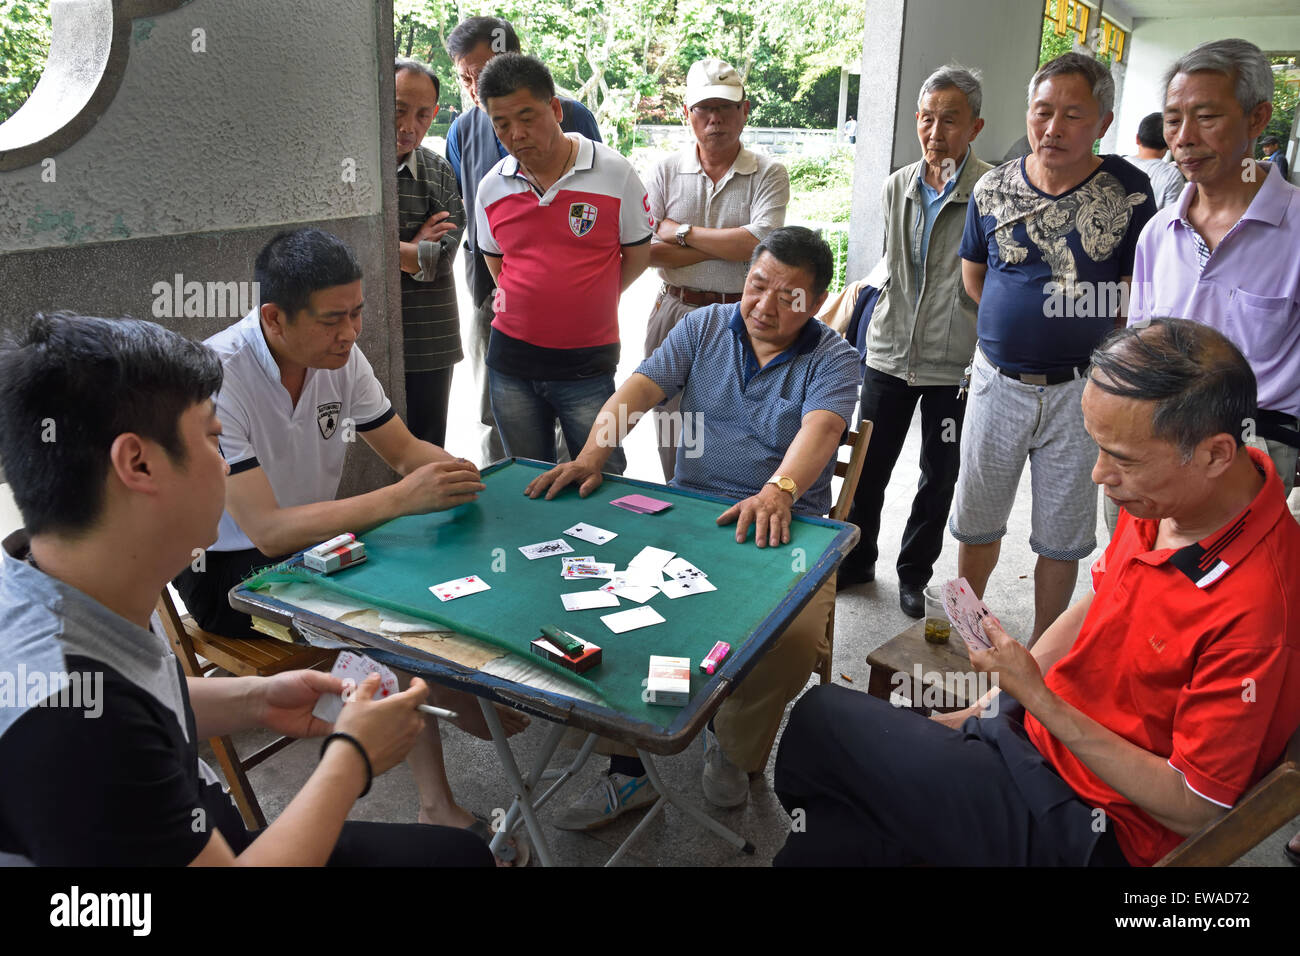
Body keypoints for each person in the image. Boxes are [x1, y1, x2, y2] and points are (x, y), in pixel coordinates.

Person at [774, 318, 1300, 867]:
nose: (1100, 475)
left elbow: (1195, 808)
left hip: (1087, 825)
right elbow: (1102, 599)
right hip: (1026, 745)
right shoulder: (1176, 502)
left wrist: (1036, 697)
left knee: (823, 721)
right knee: (821, 846)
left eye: (1122, 458)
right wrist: (988, 706)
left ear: (1216, 454)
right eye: (1096, 447)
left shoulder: (1261, 613)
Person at [0, 313, 492, 866]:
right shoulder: (69, 727)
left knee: (454, 856)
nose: (226, 462)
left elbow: (136, 699)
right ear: (138, 463)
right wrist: (351, 759)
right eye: (214, 440)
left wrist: (259, 699)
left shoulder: (37, 574)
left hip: (202, 830)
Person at [171, 228, 531, 864]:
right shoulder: (218, 375)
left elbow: (403, 451)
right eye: (334, 318)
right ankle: (445, 744)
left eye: (359, 312)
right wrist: (400, 499)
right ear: (274, 319)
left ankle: (456, 691)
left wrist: (468, 482)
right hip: (230, 574)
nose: (352, 331)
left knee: (432, 554)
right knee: (390, 610)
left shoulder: (340, 357)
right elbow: (269, 531)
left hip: (322, 542)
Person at [524, 227, 861, 823]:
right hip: (689, 508)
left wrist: (778, 491)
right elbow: (640, 389)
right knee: (604, 603)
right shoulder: (704, 327)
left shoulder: (834, 358)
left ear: (815, 301)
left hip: (790, 525)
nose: (766, 306)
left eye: (790, 297)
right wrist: (592, 455)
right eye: (758, 286)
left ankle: (732, 748)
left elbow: (822, 430)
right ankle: (628, 767)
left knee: (794, 642)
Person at [953, 52, 1156, 643]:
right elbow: (975, 278)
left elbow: (1130, 296)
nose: (1053, 127)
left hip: (1081, 392)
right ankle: (971, 631)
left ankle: (1044, 651)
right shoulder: (992, 186)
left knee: (1061, 532)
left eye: (1072, 114)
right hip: (996, 381)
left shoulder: (1128, 192)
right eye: (1043, 112)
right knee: (977, 521)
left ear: (1103, 121)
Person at [836, 64, 992, 621]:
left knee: (939, 473)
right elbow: (895, 270)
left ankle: (912, 575)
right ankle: (855, 564)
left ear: (975, 126)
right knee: (868, 466)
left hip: (955, 363)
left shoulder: (990, 191)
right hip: (888, 352)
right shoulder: (897, 185)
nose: (935, 132)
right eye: (926, 119)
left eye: (950, 120)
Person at [1130, 39, 1299, 498]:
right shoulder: (1159, 231)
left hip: (1252, 446)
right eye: (1172, 120)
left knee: (1228, 571)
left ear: (1257, 118)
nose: (1184, 137)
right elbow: (1141, 341)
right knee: (1141, 566)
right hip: (1154, 433)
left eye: (1206, 118)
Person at [474, 53, 652, 470]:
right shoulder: (491, 187)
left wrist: (588, 295)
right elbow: (497, 265)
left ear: (554, 109)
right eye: (501, 124)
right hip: (511, 364)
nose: (516, 134)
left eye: (527, 116)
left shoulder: (614, 173)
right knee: (525, 475)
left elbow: (638, 256)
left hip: (586, 366)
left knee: (603, 475)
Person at [445, 16, 604, 465]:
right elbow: (464, 211)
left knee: (573, 412)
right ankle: (509, 503)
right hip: (490, 296)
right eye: (465, 77)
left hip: (569, 300)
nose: (476, 86)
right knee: (496, 412)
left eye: (484, 71)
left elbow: (595, 206)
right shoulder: (462, 130)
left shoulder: (570, 114)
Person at [643, 56, 789, 481]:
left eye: (726, 108)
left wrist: (679, 231)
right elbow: (646, 249)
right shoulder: (665, 170)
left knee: (737, 430)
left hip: (741, 315)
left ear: (745, 111)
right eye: (704, 109)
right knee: (671, 424)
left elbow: (760, 243)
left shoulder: (768, 173)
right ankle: (677, 507)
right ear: (687, 114)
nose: (715, 119)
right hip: (674, 309)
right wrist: (728, 245)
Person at [394, 57, 466, 448]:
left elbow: (441, 260)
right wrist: (414, 247)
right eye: (399, 109)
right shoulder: (352, 171)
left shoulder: (438, 170)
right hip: (359, 341)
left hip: (430, 341)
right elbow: (351, 255)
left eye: (423, 114)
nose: (409, 126)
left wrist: (394, 250)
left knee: (427, 446)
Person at [1122, 110, 1186, 209]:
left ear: (1137, 138)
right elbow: (1170, 217)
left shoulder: (1119, 164)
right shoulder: (1171, 176)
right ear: (1169, 145)